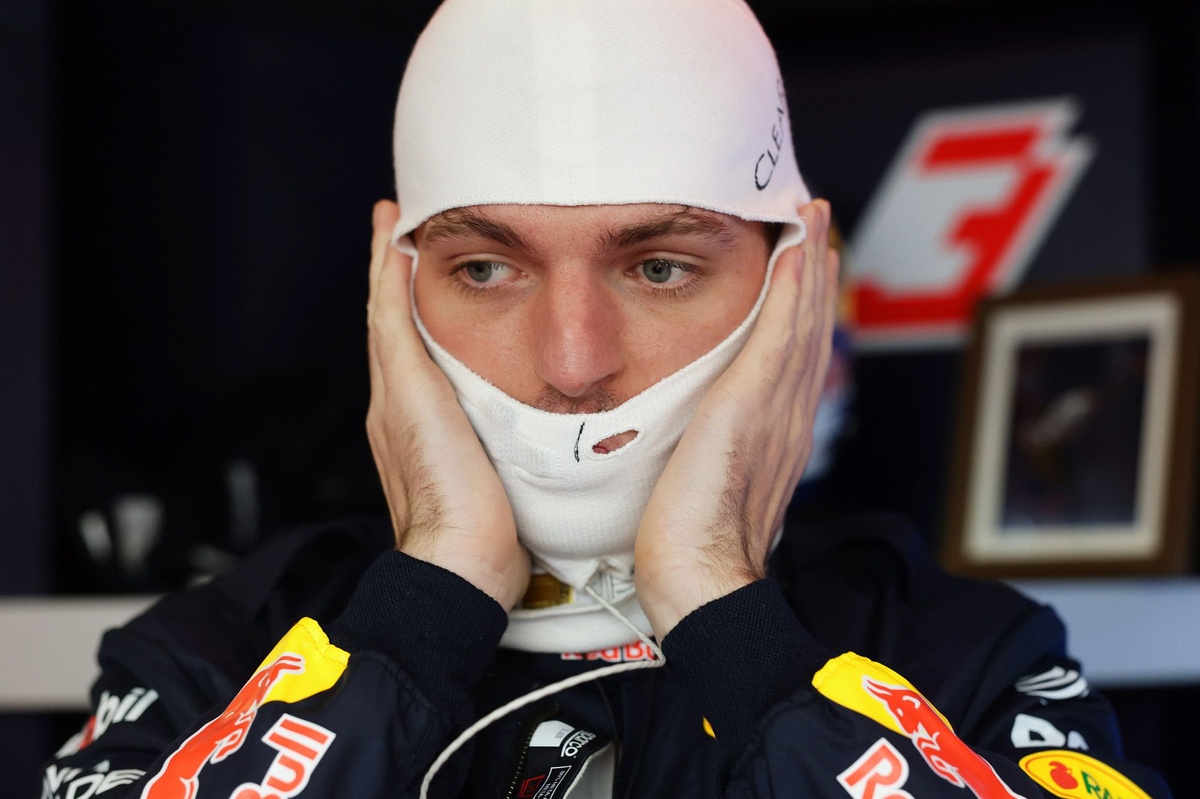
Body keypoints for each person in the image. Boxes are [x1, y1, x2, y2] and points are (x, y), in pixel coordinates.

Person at [43, 1, 1170, 797]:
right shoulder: (206, 658)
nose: (574, 362)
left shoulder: (967, 659)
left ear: (797, 281)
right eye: (488, 268)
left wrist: (730, 618)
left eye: (659, 266)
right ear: (396, 284)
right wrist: (420, 610)